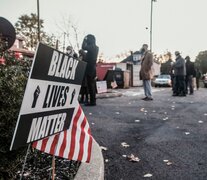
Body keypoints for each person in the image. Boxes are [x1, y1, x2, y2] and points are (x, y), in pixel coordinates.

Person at [82, 34, 99, 106]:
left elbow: (83, 47)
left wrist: (84, 40)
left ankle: (92, 101)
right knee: (91, 85)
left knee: (90, 85)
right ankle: (93, 100)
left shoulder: (92, 47)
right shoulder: (95, 47)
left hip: (90, 68)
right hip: (93, 68)